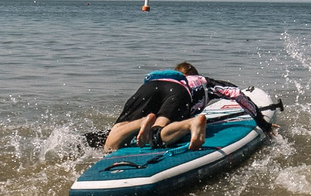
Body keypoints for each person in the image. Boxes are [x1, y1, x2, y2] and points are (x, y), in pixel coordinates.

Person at [103, 63, 272, 151]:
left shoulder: (165, 77)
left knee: (113, 139)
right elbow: (236, 94)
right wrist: (264, 124)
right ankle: (190, 124)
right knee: (157, 136)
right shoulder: (204, 83)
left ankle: (141, 123)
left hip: (149, 86)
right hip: (178, 93)